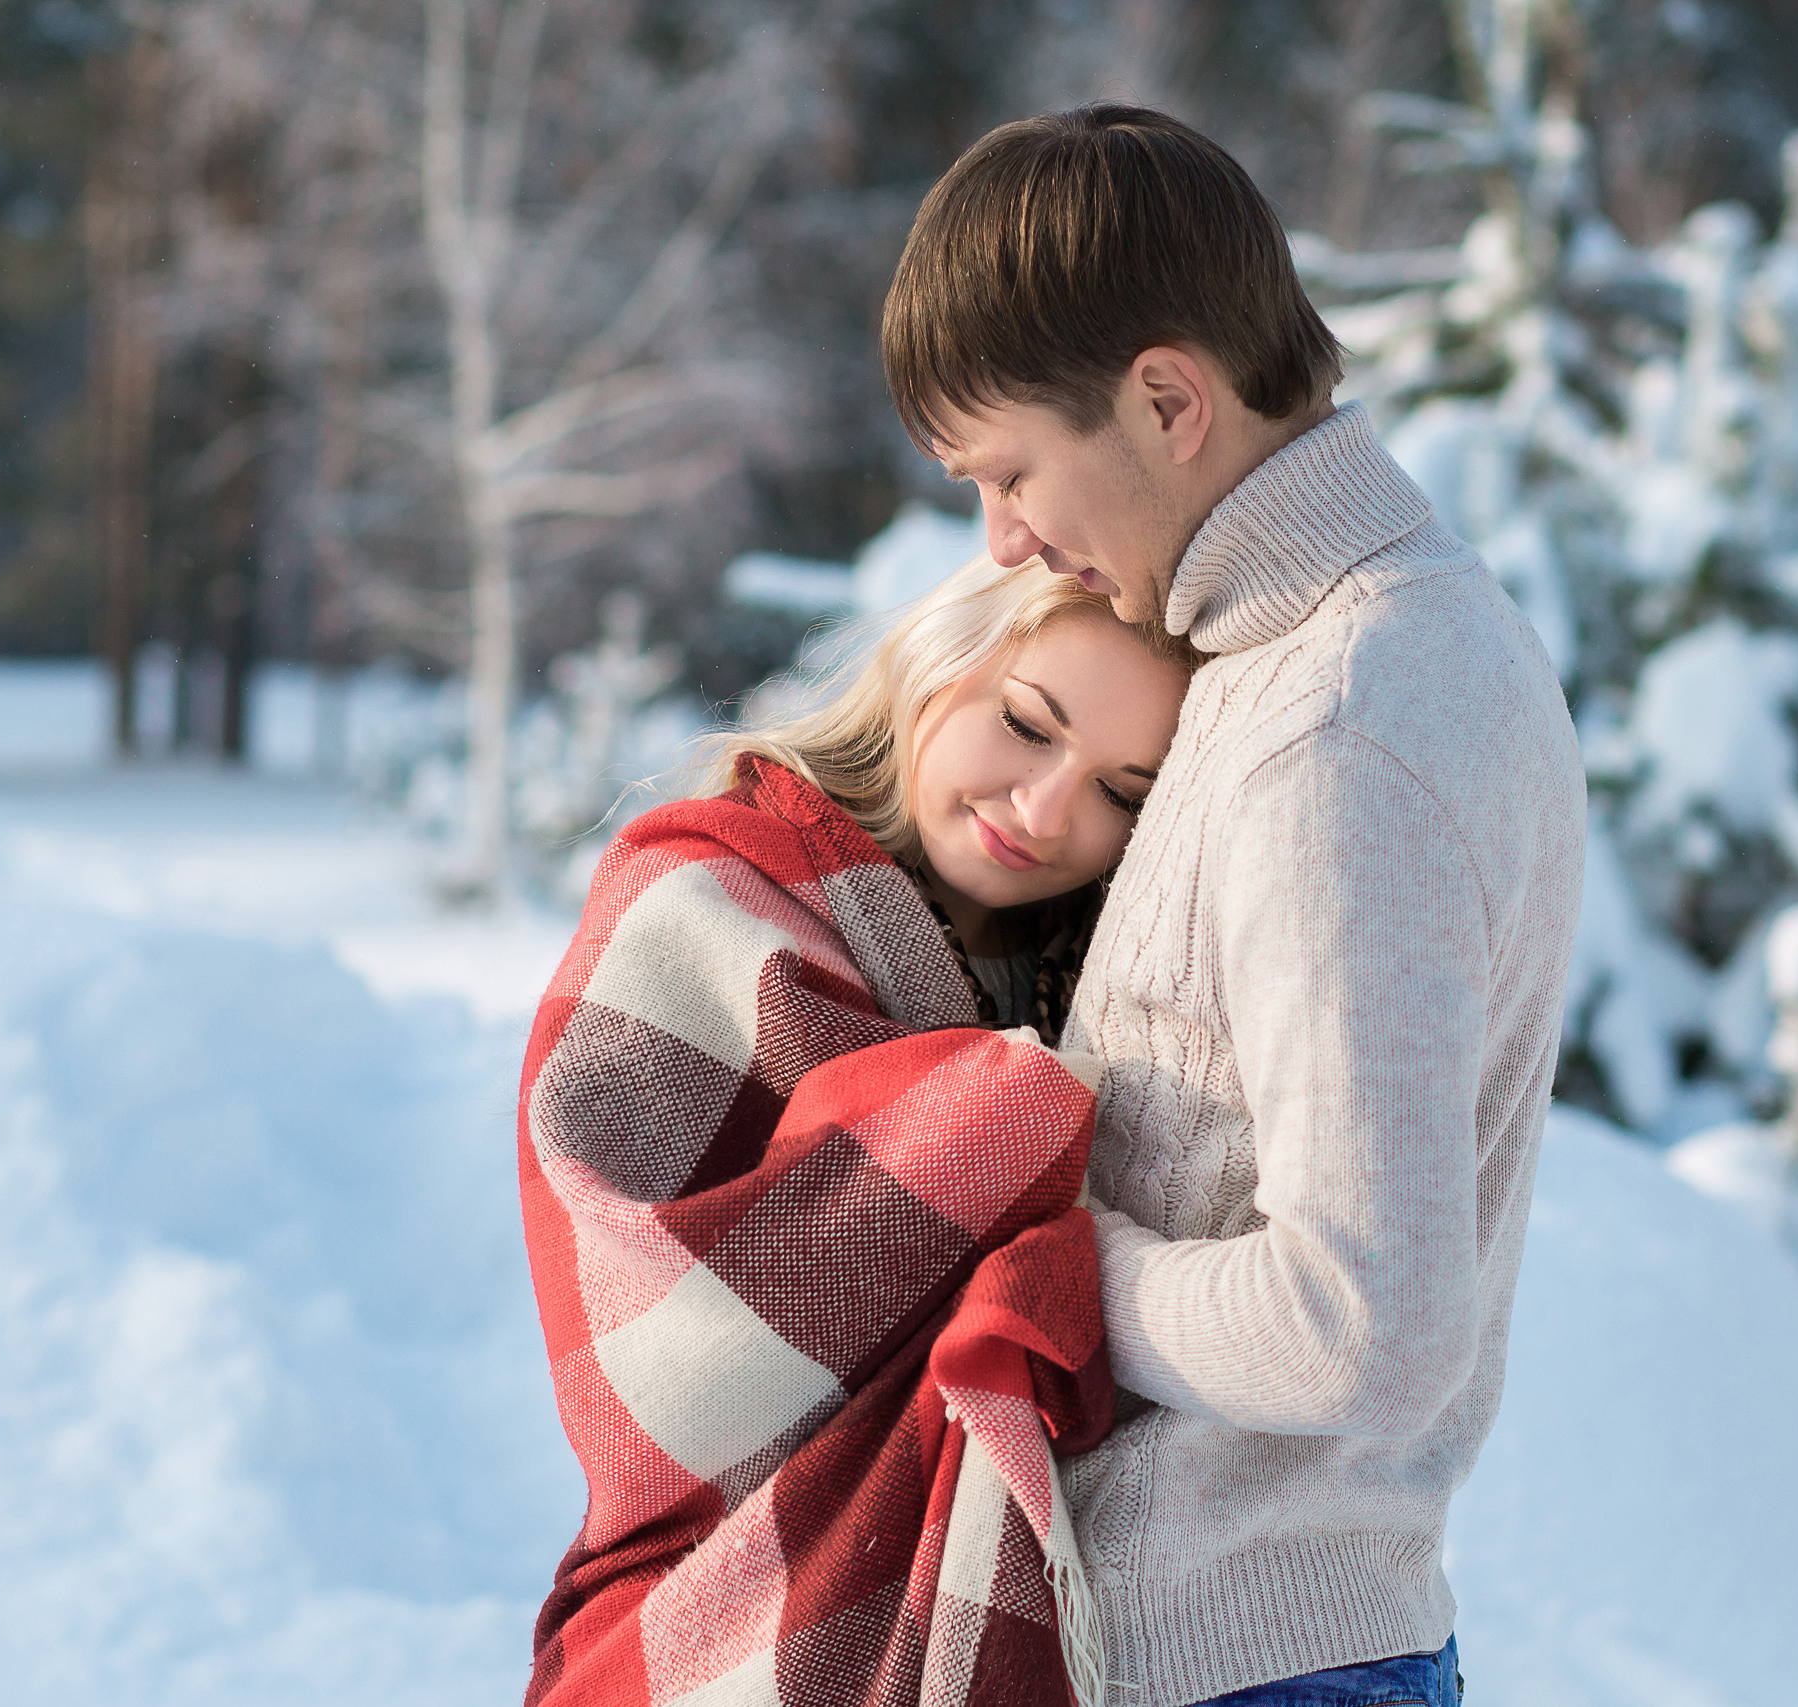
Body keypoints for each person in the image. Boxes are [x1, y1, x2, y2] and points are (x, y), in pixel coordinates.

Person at [880, 106, 1588, 1707]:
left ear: (1166, 400)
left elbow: (1365, 1322)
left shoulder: (1332, 725)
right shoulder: (1385, 640)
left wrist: (1045, 1259)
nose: (1003, 537)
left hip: (1232, 1659)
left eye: (1012, 471)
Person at [517, 554, 1198, 1707]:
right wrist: (1004, 1129)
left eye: (1120, 794)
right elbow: (653, 1326)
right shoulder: (705, 896)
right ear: (940, 663)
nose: (1043, 811)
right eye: (1026, 725)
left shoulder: (1106, 976)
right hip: (699, 1597)